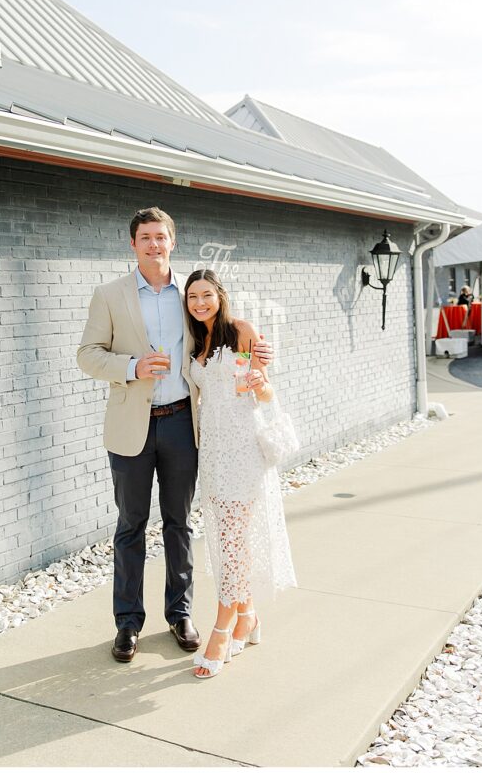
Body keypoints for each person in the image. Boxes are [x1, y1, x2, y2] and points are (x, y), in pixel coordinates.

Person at [76, 207, 274, 663]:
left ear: (172, 242)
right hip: (132, 426)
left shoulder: (191, 294)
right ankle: (127, 623)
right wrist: (131, 367)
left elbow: (225, 333)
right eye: (145, 237)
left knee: (179, 523)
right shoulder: (109, 295)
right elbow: (87, 355)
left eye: (160, 237)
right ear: (133, 244)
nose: (153, 245)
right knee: (131, 525)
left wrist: (260, 348)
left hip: (184, 422)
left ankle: (180, 613)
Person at [185, 268, 296, 679]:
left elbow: (267, 391)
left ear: (220, 295)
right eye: (193, 296)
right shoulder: (195, 340)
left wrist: (259, 383)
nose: (200, 303)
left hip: (244, 449)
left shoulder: (241, 331)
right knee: (227, 537)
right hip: (212, 452)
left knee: (233, 540)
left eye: (206, 295)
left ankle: (222, 627)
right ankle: (248, 616)